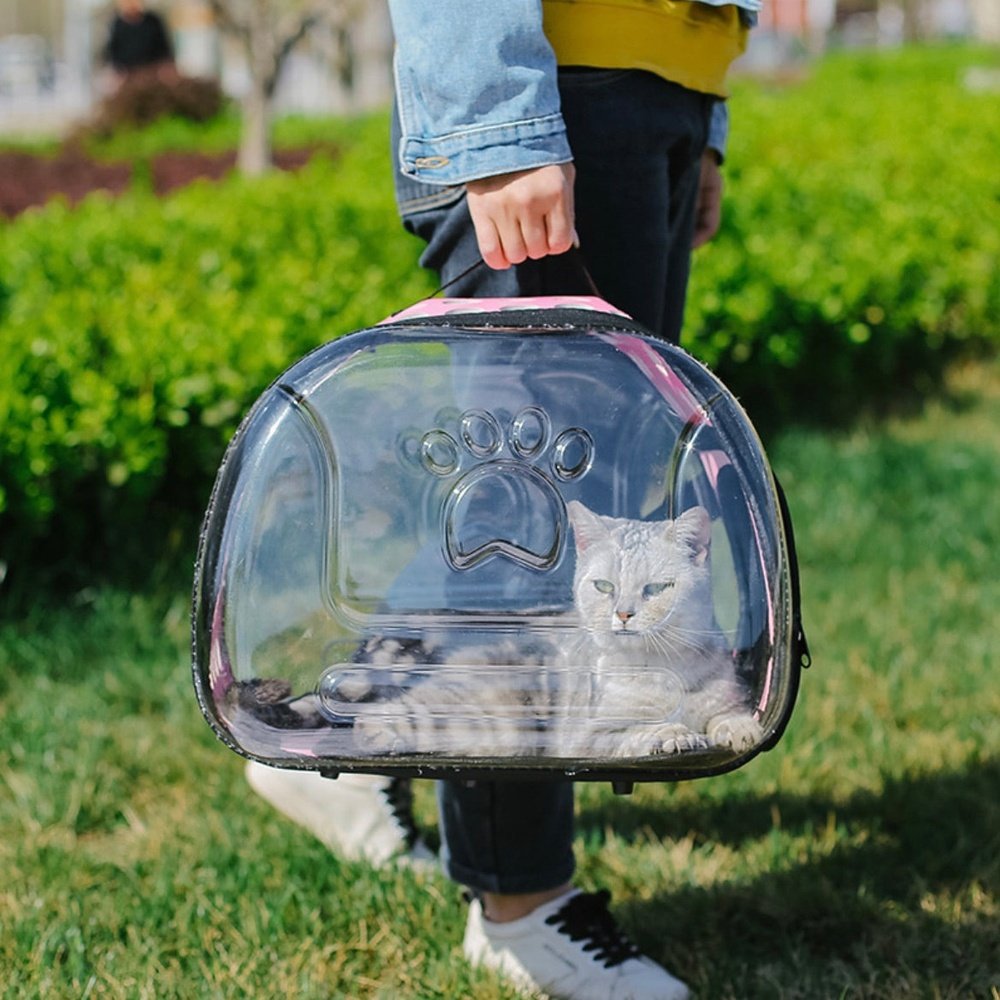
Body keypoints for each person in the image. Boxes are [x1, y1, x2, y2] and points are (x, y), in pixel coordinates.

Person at [248, 2, 759, 997]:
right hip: (547, 88)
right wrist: (499, 126)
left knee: (576, 502)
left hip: (652, 83)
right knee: (530, 526)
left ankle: (346, 737)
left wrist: (702, 113)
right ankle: (518, 905)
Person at [102, 0, 176, 85]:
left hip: (152, 75)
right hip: (127, 76)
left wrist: (165, 68)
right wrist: (118, 71)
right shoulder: (117, 25)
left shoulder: (153, 21)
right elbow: (111, 53)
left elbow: (164, 49)